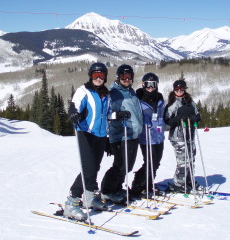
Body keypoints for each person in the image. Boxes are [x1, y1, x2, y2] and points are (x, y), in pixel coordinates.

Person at [64, 62, 110, 221]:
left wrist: (120, 116)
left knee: (95, 166)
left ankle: (89, 196)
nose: (98, 78)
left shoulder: (106, 94)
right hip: (86, 133)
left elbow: (108, 115)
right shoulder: (83, 91)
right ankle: (72, 202)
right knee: (88, 168)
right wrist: (73, 113)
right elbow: (74, 105)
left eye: (101, 76)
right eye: (95, 75)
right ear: (90, 76)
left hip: (101, 135)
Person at [100, 64, 143, 204]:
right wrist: (117, 114)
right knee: (120, 166)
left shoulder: (132, 92)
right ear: (118, 77)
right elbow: (106, 114)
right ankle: (107, 190)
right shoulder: (113, 93)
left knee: (128, 166)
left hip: (133, 135)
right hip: (120, 135)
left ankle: (116, 187)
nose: (127, 79)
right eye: (124, 77)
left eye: (129, 77)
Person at [131, 72, 166, 198]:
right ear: (143, 84)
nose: (150, 88)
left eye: (153, 84)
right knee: (150, 162)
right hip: (146, 137)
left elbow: (164, 115)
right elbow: (134, 116)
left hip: (158, 136)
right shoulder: (138, 100)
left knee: (156, 163)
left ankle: (148, 183)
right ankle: (140, 184)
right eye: (147, 85)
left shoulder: (160, 98)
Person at [164, 79, 201, 193]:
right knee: (183, 161)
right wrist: (178, 119)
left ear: (185, 89)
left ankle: (188, 180)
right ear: (173, 89)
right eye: (176, 89)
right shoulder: (172, 103)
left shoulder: (190, 101)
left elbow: (197, 114)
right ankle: (179, 183)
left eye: (181, 89)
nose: (179, 91)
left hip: (190, 134)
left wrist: (195, 118)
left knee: (191, 158)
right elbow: (167, 120)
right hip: (178, 136)